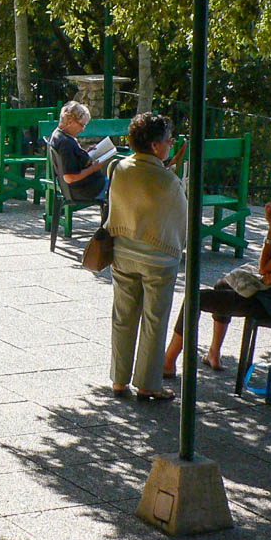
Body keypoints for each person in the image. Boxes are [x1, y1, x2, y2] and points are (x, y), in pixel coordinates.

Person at [164, 188, 271, 373]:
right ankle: (214, 353)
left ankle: (168, 361)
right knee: (222, 285)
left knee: (195, 299)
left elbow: (265, 267)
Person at [105, 113, 186, 400]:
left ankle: (119, 379)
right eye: (168, 140)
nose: (171, 144)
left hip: (122, 252)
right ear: (155, 146)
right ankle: (148, 384)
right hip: (158, 259)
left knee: (123, 317)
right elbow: (180, 222)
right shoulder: (169, 181)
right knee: (154, 320)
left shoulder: (119, 168)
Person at [47, 100, 110, 203]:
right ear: (70, 121)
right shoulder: (66, 143)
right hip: (83, 190)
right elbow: (69, 177)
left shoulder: (58, 135)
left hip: (77, 188)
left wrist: (85, 153)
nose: (82, 129)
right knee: (118, 188)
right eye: (82, 125)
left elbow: (71, 159)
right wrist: (93, 168)